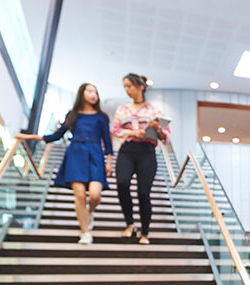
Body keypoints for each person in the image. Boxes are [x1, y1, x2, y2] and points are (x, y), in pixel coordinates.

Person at [18, 83, 113, 245]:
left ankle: (89, 212)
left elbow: (107, 141)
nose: (93, 95)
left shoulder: (101, 117)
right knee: (80, 195)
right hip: (75, 154)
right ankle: (85, 232)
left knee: (95, 195)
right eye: (90, 91)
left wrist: (109, 162)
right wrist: (31, 137)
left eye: (96, 92)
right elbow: (56, 135)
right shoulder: (73, 114)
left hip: (95, 154)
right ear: (82, 93)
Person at [112, 73, 169, 245]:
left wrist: (157, 128)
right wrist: (134, 133)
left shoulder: (153, 110)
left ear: (140, 87)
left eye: (129, 86)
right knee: (122, 183)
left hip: (147, 151)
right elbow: (115, 130)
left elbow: (165, 137)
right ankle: (130, 224)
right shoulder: (122, 109)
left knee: (143, 192)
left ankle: (145, 232)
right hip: (127, 150)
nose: (127, 90)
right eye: (125, 87)